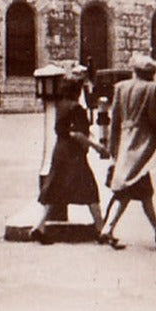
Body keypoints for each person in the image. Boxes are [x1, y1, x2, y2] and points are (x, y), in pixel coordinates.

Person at [99, 55, 156, 249]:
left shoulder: (121, 87)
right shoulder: (152, 88)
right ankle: (107, 230)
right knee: (127, 189)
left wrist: (112, 146)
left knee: (144, 191)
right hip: (142, 142)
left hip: (125, 141)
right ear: (151, 74)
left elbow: (114, 118)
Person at [30, 73, 109, 244]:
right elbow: (77, 134)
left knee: (55, 188)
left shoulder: (61, 105)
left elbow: (64, 129)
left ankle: (39, 226)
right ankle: (101, 229)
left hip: (59, 150)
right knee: (90, 190)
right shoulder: (77, 108)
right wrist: (97, 147)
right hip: (73, 154)